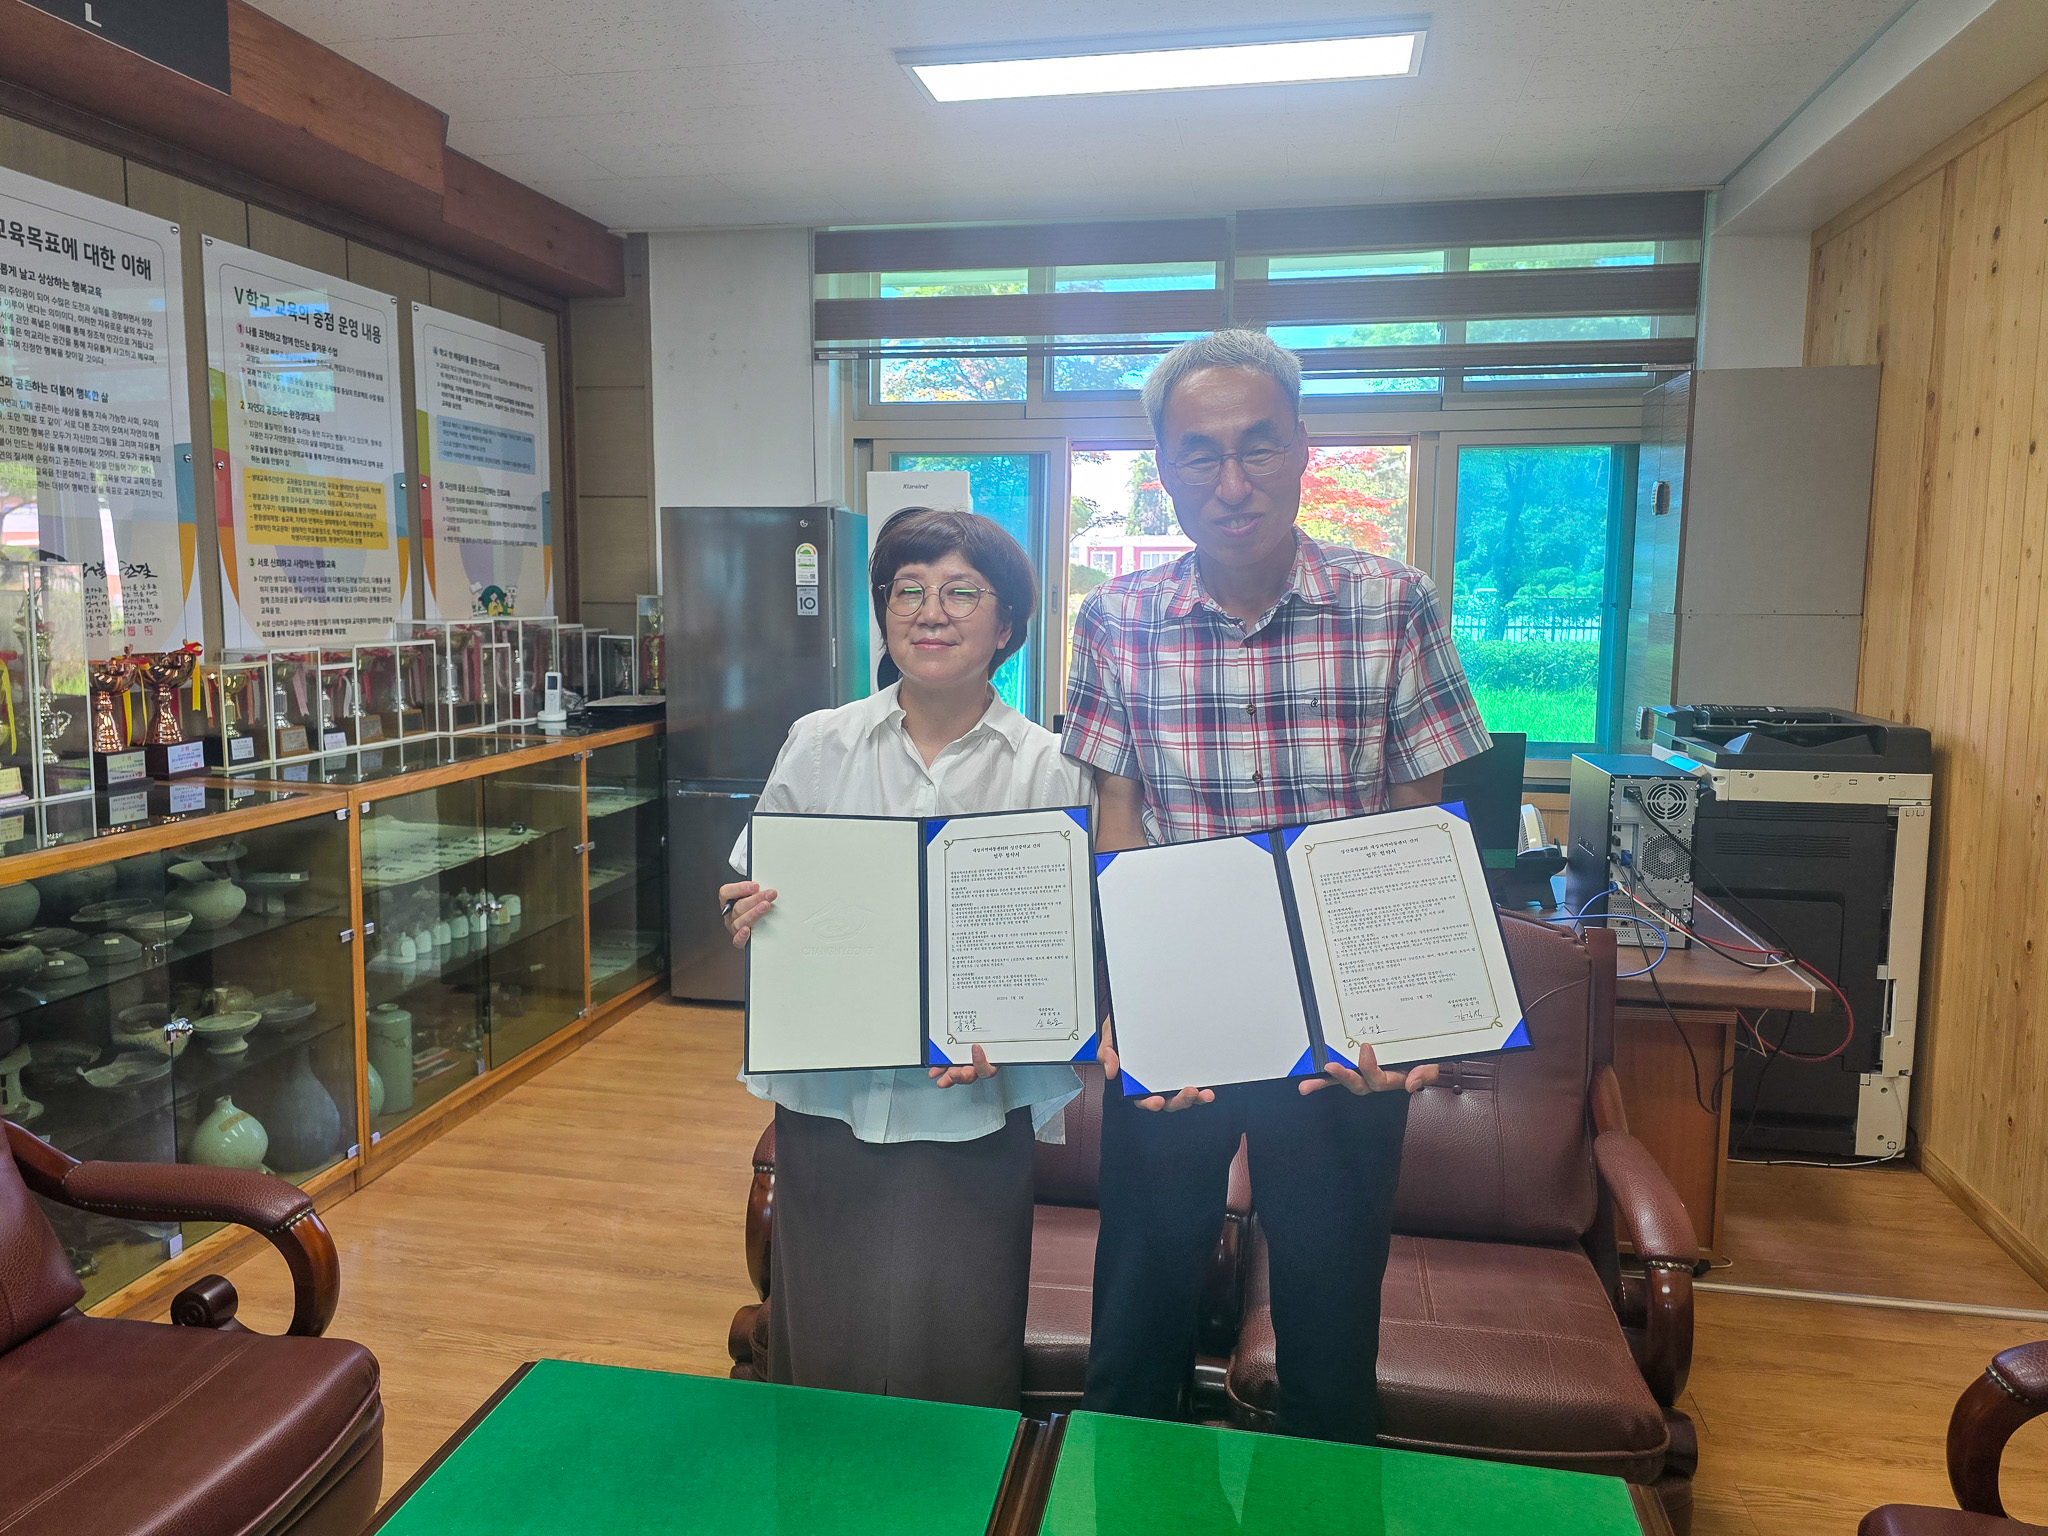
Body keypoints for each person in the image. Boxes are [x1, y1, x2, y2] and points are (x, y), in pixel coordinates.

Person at [1062, 329, 1492, 1443]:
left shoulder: (1391, 601)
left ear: (1303, 449)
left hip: (1335, 1027)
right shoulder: (1115, 619)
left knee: (1330, 1343)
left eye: (1258, 447)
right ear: (1163, 471)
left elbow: (1417, 814)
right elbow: (1116, 815)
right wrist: (1126, 1003)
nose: (1233, 479)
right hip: (1181, 1013)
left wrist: (1400, 1013)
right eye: (1199, 455)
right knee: (1134, 1330)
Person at [717, 507, 1086, 1410]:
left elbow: (1063, 950)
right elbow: (758, 883)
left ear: (1006, 626)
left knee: (959, 1339)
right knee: (826, 1341)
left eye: (962, 591)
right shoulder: (821, 740)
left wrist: (1024, 1017)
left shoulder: (1051, 767)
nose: (932, 611)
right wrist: (748, 913)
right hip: (830, 1093)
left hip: (977, 1100)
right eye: (908, 591)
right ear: (882, 616)